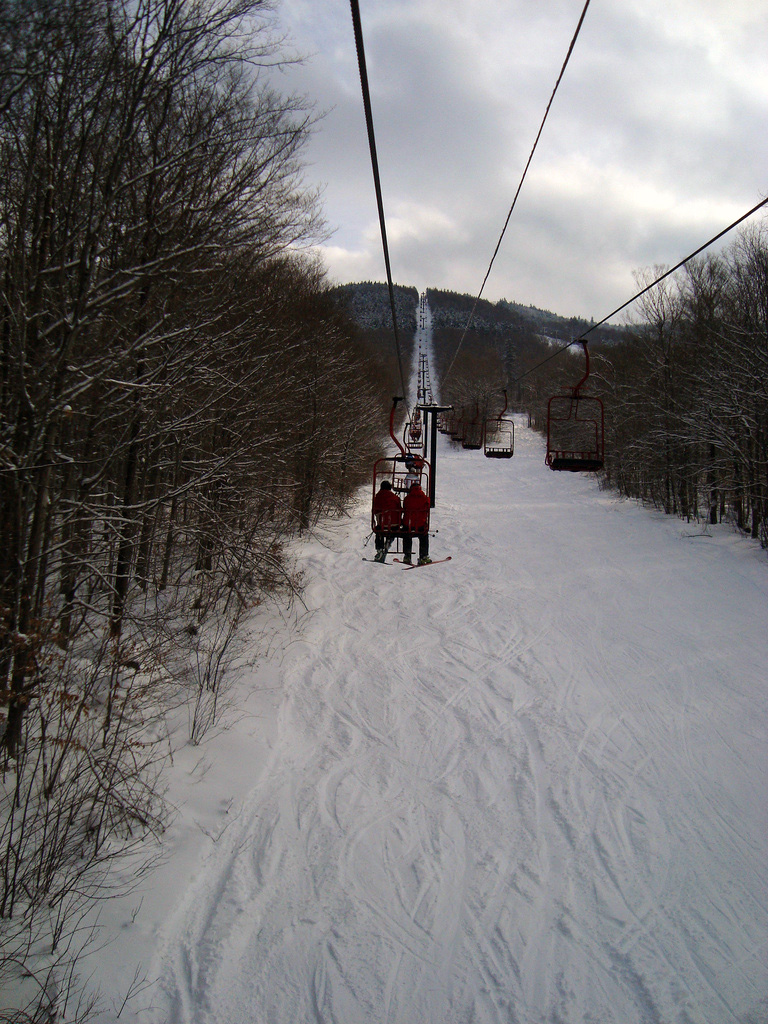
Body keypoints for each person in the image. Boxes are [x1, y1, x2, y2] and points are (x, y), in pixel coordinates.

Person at [402, 481, 431, 565]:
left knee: (406, 535)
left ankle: (407, 556)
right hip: (420, 525)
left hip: (408, 525)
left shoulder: (407, 498)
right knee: (424, 536)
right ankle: (423, 556)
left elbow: (405, 507)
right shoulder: (425, 498)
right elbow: (428, 506)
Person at [372, 480, 401, 561]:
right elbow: (400, 509)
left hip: (383, 525)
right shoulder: (395, 498)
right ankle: (389, 540)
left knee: (379, 532)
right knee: (393, 531)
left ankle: (379, 549)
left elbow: (374, 511)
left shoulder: (377, 497)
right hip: (395, 525)